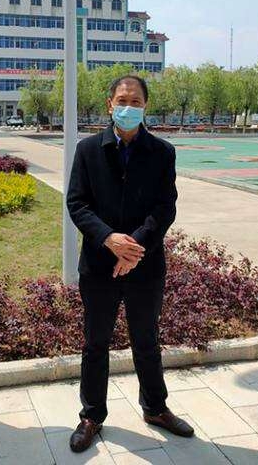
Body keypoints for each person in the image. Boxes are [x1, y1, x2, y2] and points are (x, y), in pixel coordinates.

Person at [66, 75, 193, 453]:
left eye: (135, 101)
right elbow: (77, 203)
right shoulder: (88, 150)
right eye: (122, 100)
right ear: (109, 104)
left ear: (145, 106)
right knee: (95, 342)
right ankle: (91, 415)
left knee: (146, 339)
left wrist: (133, 247)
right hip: (98, 265)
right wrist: (109, 239)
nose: (128, 107)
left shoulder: (162, 152)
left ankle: (155, 408)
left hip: (145, 265)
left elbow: (165, 207)